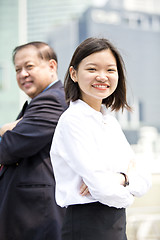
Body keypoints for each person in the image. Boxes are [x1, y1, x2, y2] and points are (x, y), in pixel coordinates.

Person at [50, 37, 151, 240]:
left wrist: (120, 178)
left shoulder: (109, 122)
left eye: (110, 70)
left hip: (115, 225)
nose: (102, 76)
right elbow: (103, 189)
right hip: (85, 226)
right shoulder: (72, 121)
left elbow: (144, 178)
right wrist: (126, 187)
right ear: (74, 74)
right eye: (92, 69)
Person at [0, 41, 68, 240]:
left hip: (38, 219)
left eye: (29, 66)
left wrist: (4, 130)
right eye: (17, 69)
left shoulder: (53, 99)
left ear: (52, 66)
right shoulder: (38, 103)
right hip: (28, 216)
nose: (22, 74)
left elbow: (9, 148)